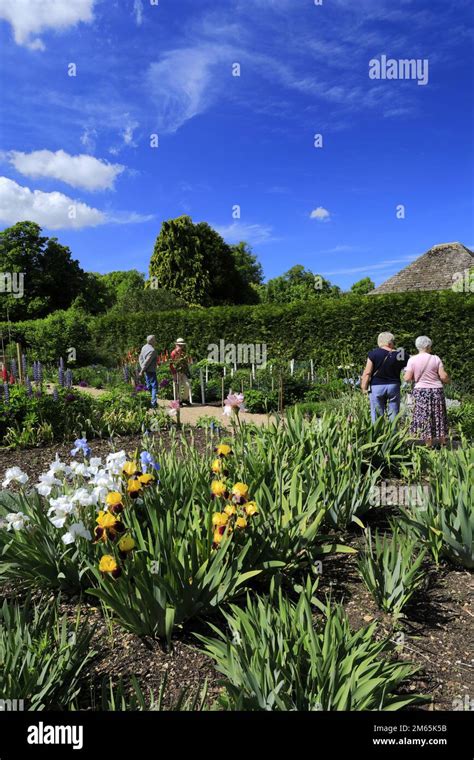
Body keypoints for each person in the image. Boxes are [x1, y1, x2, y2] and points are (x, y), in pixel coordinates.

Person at [404, 336, 449, 447]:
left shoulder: (412, 360)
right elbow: (443, 376)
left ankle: (428, 443)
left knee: (425, 416)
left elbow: (407, 378)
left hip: (420, 391)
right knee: (439, 415)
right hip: (436, 390)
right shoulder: (435, 358)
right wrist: (448, 380)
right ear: (428, 346)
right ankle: (442, 441)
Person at [361, 332, 408, 423]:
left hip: (377, 386)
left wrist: (364, 387)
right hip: (394, 385)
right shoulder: (400, 354)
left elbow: (367, 372)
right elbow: (409, 367)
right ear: (390, 343)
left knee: (377, 415)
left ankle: (378, 434)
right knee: (394, 414)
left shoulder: (373, 354)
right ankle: (393, 435)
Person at [170, 338, 192, 405]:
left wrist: (188, 372)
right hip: (176, 372)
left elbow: (186, 364)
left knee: (187, 385)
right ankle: (179, 401)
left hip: (183, 372)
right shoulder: (173, 353)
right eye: (179, 345)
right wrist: (174, 374)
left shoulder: (183, 353)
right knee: (178, 386)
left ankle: (185, 399)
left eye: (182, 345)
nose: (181, 347)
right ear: (176, 345)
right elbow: (171, 364)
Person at [138, 335, 158, 408]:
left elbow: (140, 358)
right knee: (154, 386)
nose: (155, 341)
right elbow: (147, 362)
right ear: (152, 341)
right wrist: (142, 370)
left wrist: (142, 367)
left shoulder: (144, 347)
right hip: (151, 371)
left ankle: (149, 401)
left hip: (146, 371)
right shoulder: (152, 351)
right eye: (154, 340)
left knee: (149, 386)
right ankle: (153, 403)